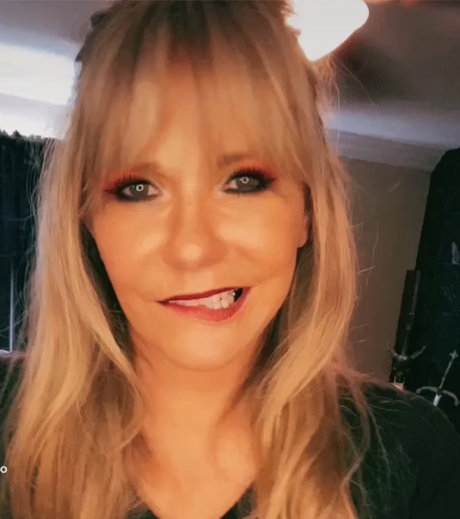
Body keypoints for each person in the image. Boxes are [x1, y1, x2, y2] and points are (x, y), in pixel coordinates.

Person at [0, 1, 459, 519]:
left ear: (307, 211)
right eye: (139, 188)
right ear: (87, 220)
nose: (193, 247)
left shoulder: (412, 454)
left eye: (243, 181)